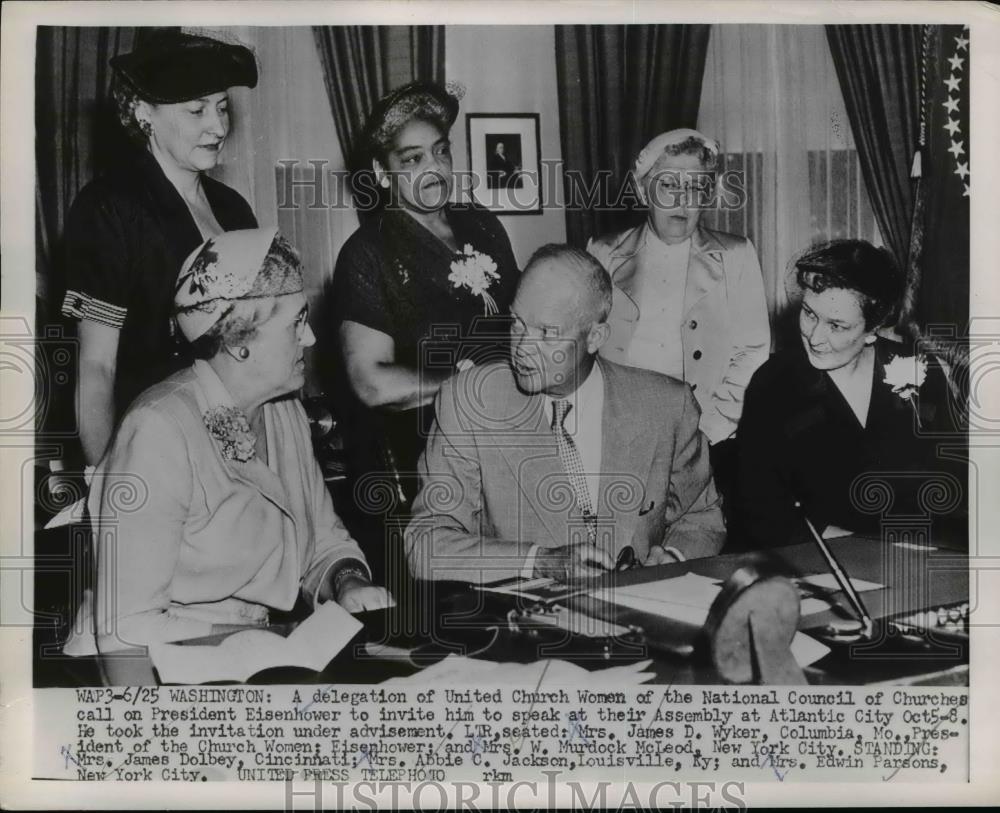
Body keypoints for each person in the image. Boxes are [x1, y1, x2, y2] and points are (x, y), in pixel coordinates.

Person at [64, 229, 393, 663]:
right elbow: (126, 627)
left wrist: (348, 580)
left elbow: (324, 542)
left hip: (247, 656)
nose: (310, 337)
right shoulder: (158, 430)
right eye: (296, 323)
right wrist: (275, 638)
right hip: (141, 667)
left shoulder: (285, 413)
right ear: (239, 342)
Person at [404, 244, 725, 584]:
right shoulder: (470, 402)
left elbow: (701, 518)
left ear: (595, 337)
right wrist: (538, 561)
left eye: (547, 334)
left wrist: (673, 557)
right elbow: (425, 546)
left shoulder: (666, 405)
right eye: (517, 323)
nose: (522, 349)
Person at [330, 81, 519, 573]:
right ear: (382, 173)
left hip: (508, 440)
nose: (433, 168)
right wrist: (470, 386)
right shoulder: (366, 252)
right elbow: (371, 382)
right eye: (412, 159)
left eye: (440, 151)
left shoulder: (482, 224)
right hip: (424, 456)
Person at [60, 30, 260, 466]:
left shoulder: (234, 208)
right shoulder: (110, 209)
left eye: (222, 107)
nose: (218, 127)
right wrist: (110, 481)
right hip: (156, 447)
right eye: (197, 110)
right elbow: (96, 369)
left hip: (237, 440)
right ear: (142, 112)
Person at [733, 240, 965, 550]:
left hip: (918, 556)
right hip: (815, 559)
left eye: (837, 326)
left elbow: (955, 485)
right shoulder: (773, 384)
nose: (815, 337)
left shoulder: (919, 371)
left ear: (873, 329)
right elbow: (761, 510)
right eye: (809, 313)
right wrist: (866, 549)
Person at [587, 128, 770, 495]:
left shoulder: (736, 255)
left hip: (707, 438)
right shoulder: (604, 252)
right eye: (669, 185)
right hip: (619, 434)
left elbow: (752, 352)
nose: (683, 201)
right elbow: (584, 346)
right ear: (643, 190)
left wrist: (708, 432)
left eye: (696, 187)